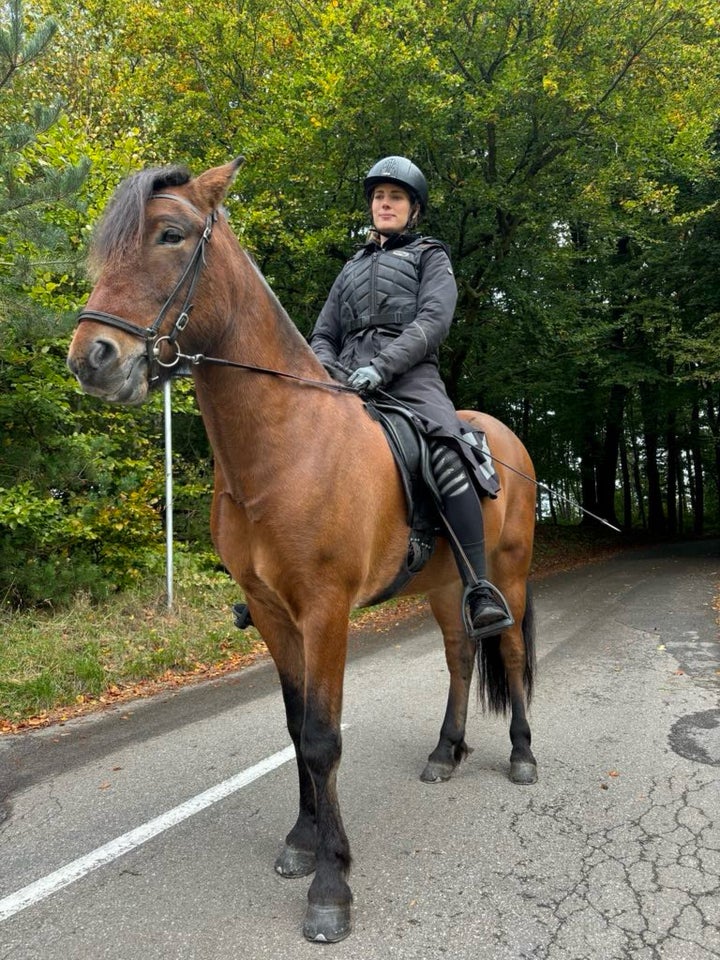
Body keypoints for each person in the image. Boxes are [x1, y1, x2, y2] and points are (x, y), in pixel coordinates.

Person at [309, 155, 512, 638]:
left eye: (395, 197)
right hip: (346, 381)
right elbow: (321, 334)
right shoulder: (350, 268)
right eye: (379, 196)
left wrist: (380, 367)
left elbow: (433, 321)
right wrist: (333, 370)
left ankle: (480, 587)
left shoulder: (430, 256)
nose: (385, 203)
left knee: (445, 450)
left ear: (413, 208)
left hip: (411, 378)